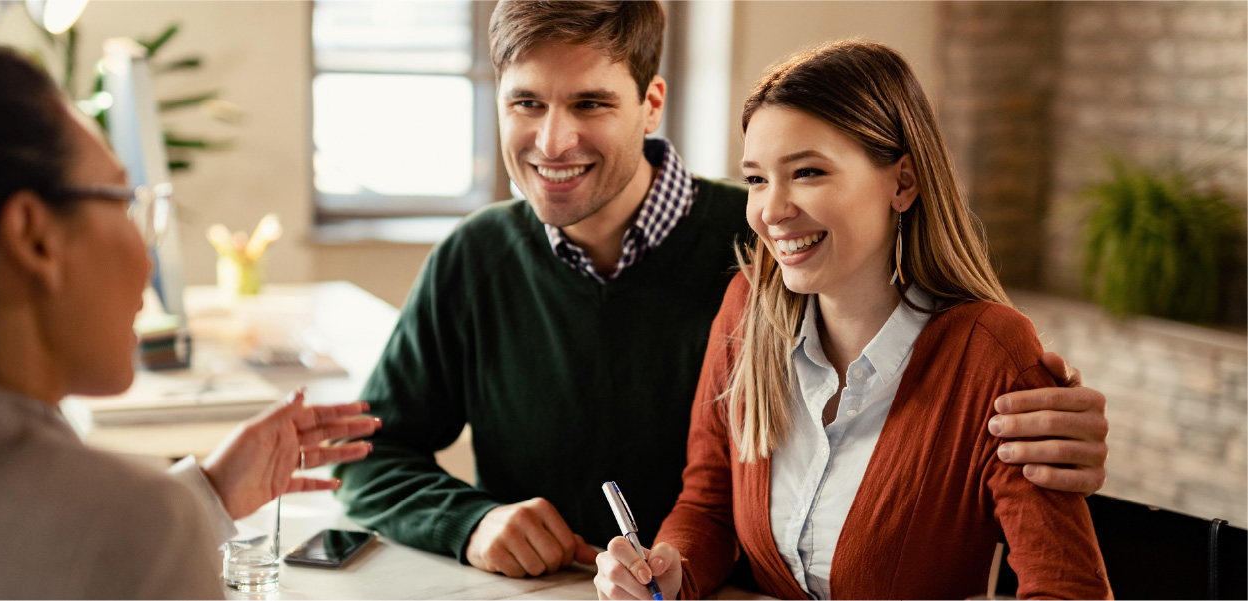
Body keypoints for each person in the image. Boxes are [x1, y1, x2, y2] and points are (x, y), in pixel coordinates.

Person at [335, 0, 1112, 581]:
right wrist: (472, 522)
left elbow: (959, 381)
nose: (552, 141)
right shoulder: (478, 260)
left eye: (590, 103)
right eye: (525, 103)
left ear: (650, 103)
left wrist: (1032, 397)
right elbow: (370, 454)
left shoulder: (763, 256)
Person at [0, 44, 380, 599]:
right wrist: (167, 521)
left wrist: (210, 493)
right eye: (125, 201)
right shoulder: (135, 527)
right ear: (34, 237)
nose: (146, 256)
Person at [593, 41, 1112, 600]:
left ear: (903, 182)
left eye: (808, 172)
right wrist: (675, 568)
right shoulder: (747, 309)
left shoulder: (991, 355)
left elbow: (1070, 591)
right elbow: (708, 503)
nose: (771, 210)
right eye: (757, 179)